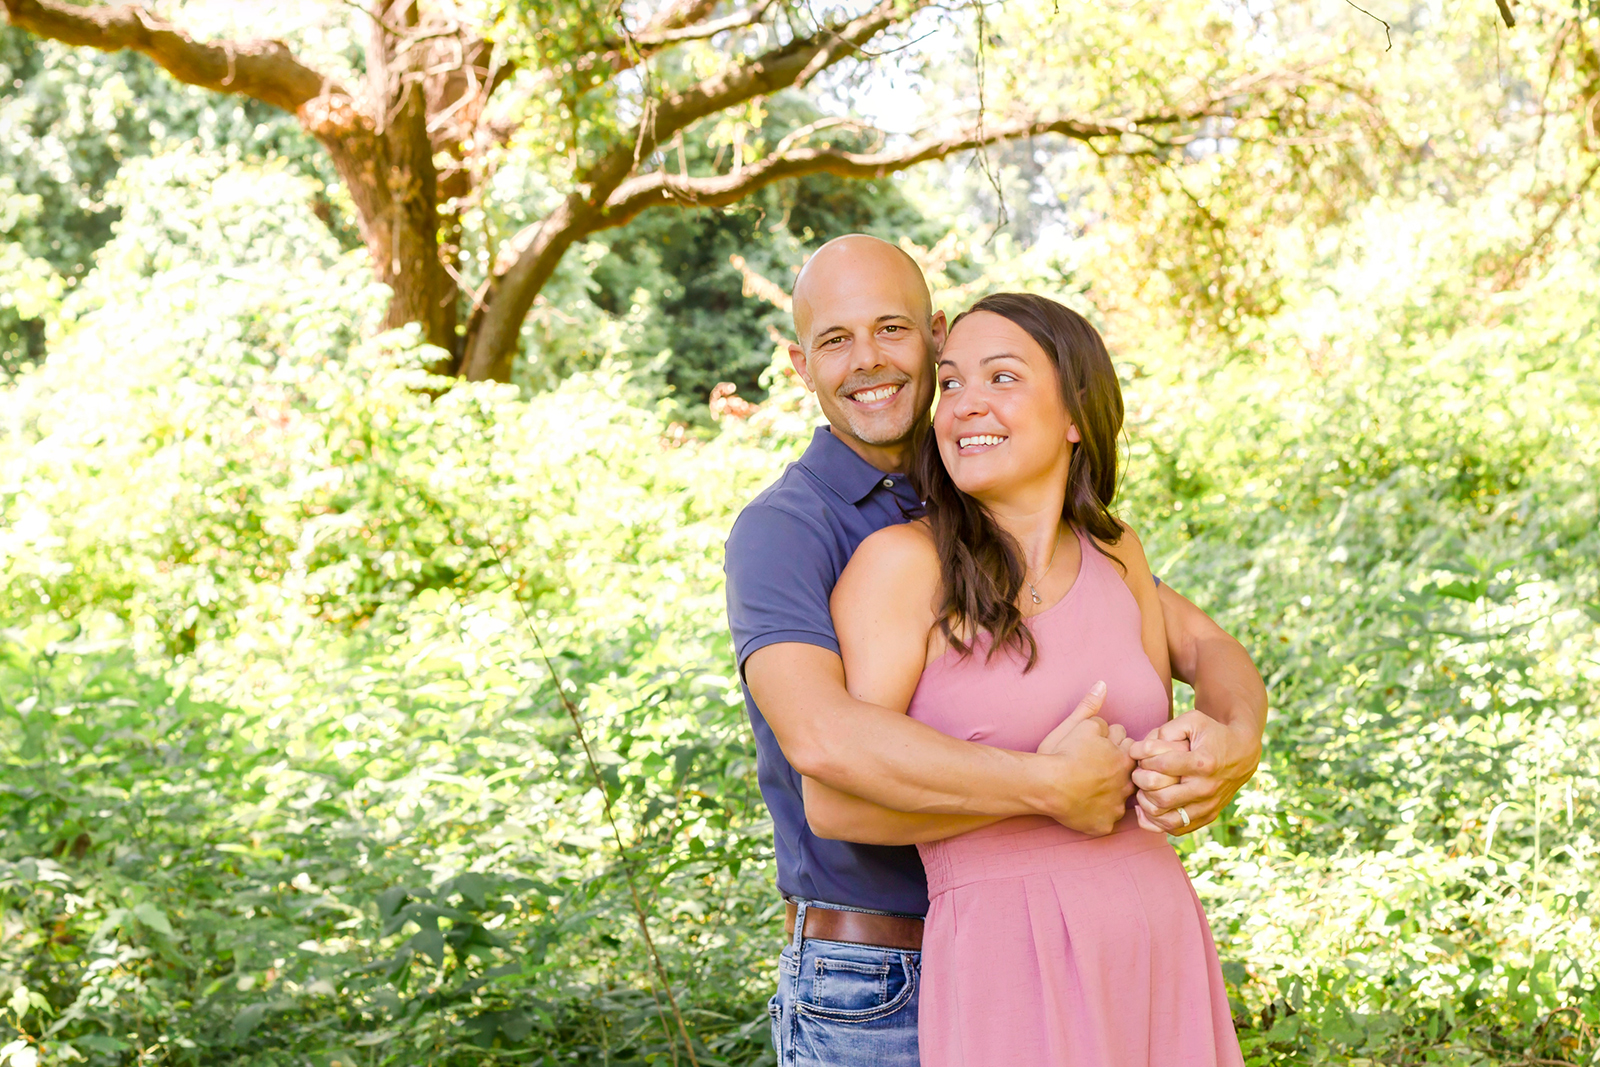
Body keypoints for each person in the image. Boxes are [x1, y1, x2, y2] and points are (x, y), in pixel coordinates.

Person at [723, 235, 1265, 1066]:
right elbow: (825, 746)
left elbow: (1203, 643)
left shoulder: (1050, 529)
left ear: (935, 333)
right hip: (875, 965)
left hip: (1129, 938)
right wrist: (1051, 787)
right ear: (800, 364)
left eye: (892, 329)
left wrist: (1235, 739)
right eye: (835, 339)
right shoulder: (795, 531)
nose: (867, 360)